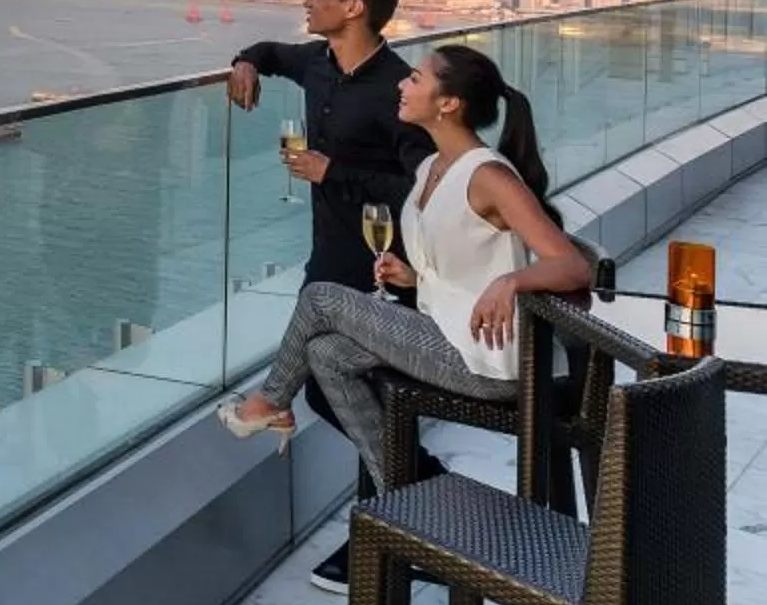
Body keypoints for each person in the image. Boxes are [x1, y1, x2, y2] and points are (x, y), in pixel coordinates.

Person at [215, 44, 590, 504]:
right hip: (447, 332)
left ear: (448, 103)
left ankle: (270, 403)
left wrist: (511, 282)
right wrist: (415, 278)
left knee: (320, 298)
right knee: (326, 354)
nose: (400, 84)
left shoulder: (490, 177)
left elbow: (573, 265)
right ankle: (405, 498)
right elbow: (465, 257)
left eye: (415, 78)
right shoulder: (434, 166)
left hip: (487, 359)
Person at [225, 0, 432, 592]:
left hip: (384, 262)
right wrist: (246, 62)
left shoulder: (396, 89)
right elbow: (269, 49)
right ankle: (414, 507)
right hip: (328, 253)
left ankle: (402, 519)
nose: (306, 0)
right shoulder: (316, 64)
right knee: (333, 387)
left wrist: (331, 173)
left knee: (350, 390)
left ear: (353, 9)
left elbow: (422, 186)